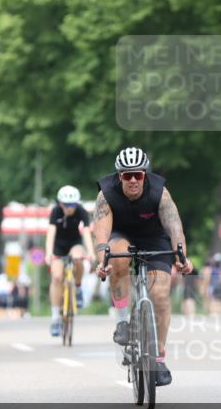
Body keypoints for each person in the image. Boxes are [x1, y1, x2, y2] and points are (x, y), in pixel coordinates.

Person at [94, 147, 193, 387]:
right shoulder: (106, 194)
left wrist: (181, 256)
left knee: (160, 295)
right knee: (118, 258)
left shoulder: (160, 193)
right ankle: (122, 320)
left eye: (137, 175)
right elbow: (101, 231)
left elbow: (174, 227)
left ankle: (158, 357)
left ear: (145, 175)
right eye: (127, 176)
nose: (132, 180)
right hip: (121, 235)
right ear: (119, 177)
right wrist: (101, 259)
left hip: (154, 238)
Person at [46, 185, 93, 337]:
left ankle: (78, 288)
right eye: (66, 205)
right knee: (57, 277)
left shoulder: (81, 211)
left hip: (74, 244)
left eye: (72, 205)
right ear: (60, 204)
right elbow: (51, 233)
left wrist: (91, 252)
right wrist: (48, 253)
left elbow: (86, 232)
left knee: (78, 258)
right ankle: (55, 318)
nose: (69, 208)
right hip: (58, 247)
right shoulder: (55, 211)